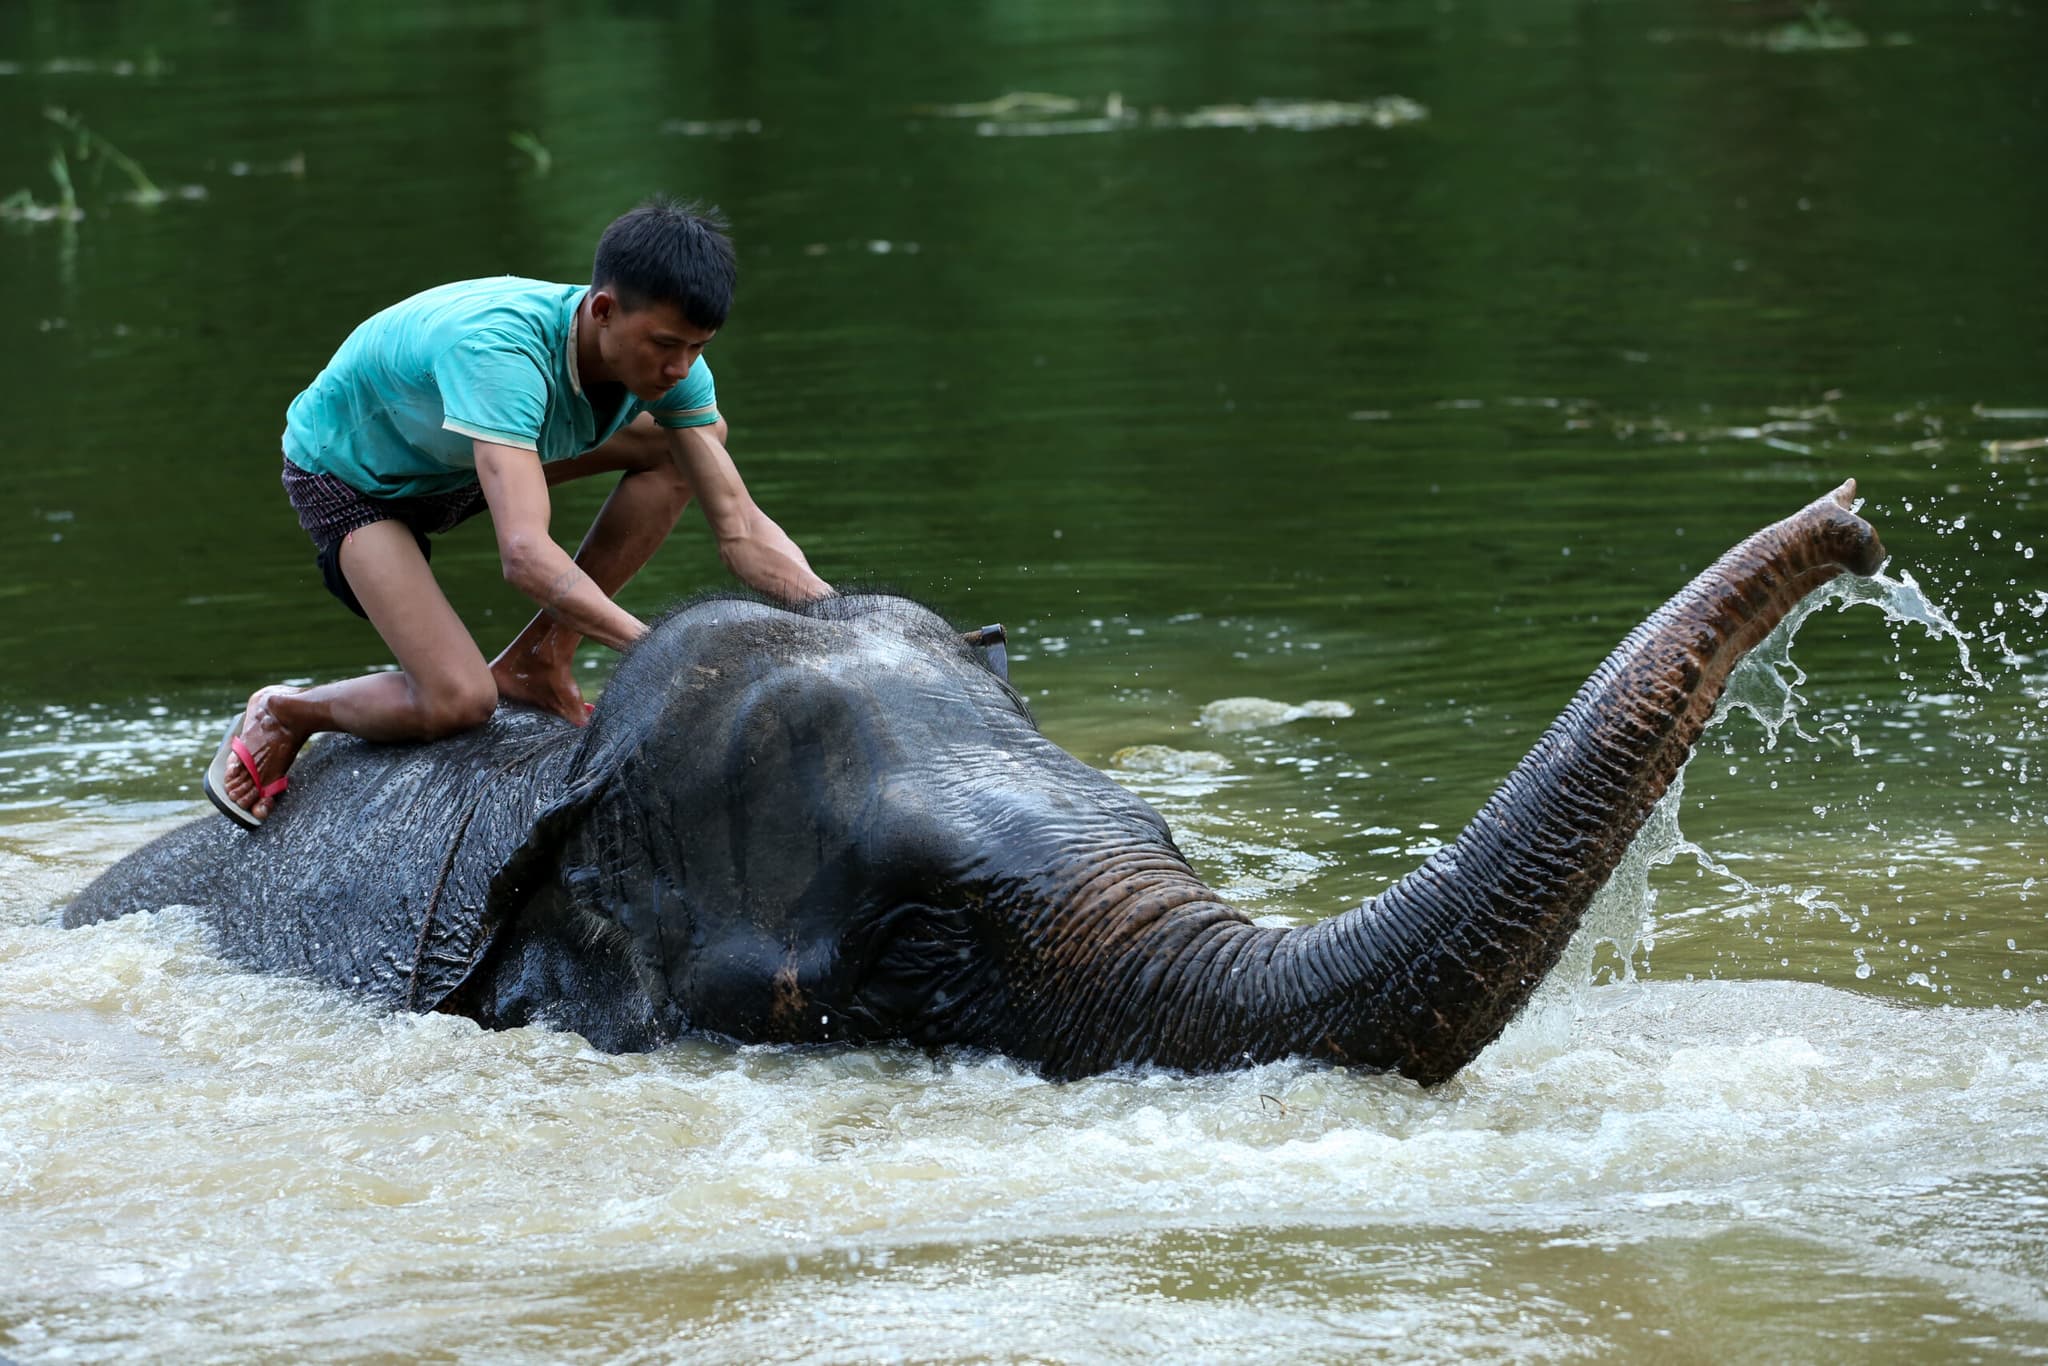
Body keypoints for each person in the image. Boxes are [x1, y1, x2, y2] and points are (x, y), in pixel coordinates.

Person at [205, 196, 832, 828]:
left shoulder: (671, 368)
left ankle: (540, 658)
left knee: (694, 445)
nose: (680, 368)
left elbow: (742, 528)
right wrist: (659, 652)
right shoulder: (502, 356)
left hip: (466, 457)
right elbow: (524, 553)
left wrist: (840, 622)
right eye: (666, 345)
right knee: (458, 700)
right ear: (604, 309)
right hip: (353, 478)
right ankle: (287, 710)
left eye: (698, 347)